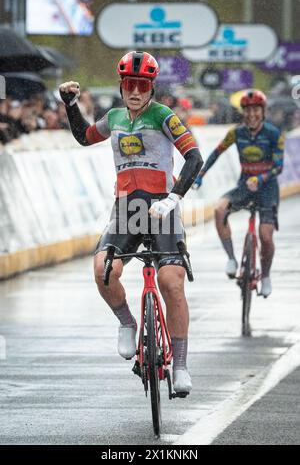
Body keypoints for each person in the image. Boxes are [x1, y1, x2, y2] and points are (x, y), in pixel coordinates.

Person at [59, 51, 203, 393]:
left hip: (162, 210)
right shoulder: (115, 117)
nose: (135, 92)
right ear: (122, 87)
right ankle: (127, 323)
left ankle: (180, 365)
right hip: (126, 210)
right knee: (102, 270)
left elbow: (194, 157)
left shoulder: (164, 116)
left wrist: (174, 197)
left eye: (141, 85)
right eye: (129, 85)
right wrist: (70, 104)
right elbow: (84, 136)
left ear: (150, 87)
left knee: (172, 283)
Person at [194, 90, 284, 298]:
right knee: (219, 209)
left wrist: (260, 179)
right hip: (244, 185)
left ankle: (266, 276)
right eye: (248, 110)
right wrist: (201, 175)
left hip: (268, 188)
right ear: (243, 112)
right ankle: (232, 259)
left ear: (262, 112)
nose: (252, 114)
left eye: (256, 110)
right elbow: (216, 153)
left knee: (265, 237)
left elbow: (279, 166)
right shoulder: (236, 133)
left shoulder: (273, 133)